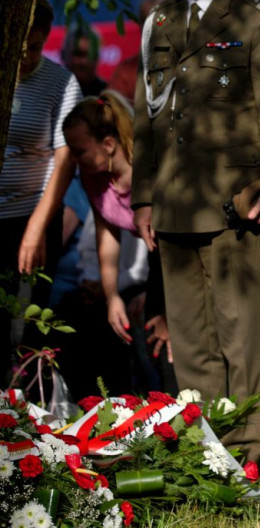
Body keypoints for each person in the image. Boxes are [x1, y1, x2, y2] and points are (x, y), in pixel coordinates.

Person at [131, 0, 260, 463]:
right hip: (176, 203)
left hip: (235, 204)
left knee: (240, 336)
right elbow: (146, 118)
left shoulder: (256, 17)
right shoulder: (160, 22)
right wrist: (142, 196)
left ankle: (244, 455)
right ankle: (206, 453)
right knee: (193, 341)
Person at [59, 92, 172, 397]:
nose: (72, 159)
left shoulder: (146, 177)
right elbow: (106, 237)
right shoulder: (95, 177)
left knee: (160, 339)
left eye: (79, 150)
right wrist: (112, 297)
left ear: (108, 145)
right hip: (156, 264)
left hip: (179, 263)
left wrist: (165, 311)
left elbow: (173, 249)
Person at [0, 0, 82, 383]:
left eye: (35, 47)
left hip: (31, 216)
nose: (27, 56)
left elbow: (64, 159)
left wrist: (37, 226)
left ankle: (27, 415)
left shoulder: (61, 82)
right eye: (21, 46)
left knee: (30, 323)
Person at [61, 21, 107, 97]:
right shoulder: (50, 94)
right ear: (63, 55)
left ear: (97, 57)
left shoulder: (108, 96)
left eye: (89, 55)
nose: (83, 62)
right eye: (78, 54)